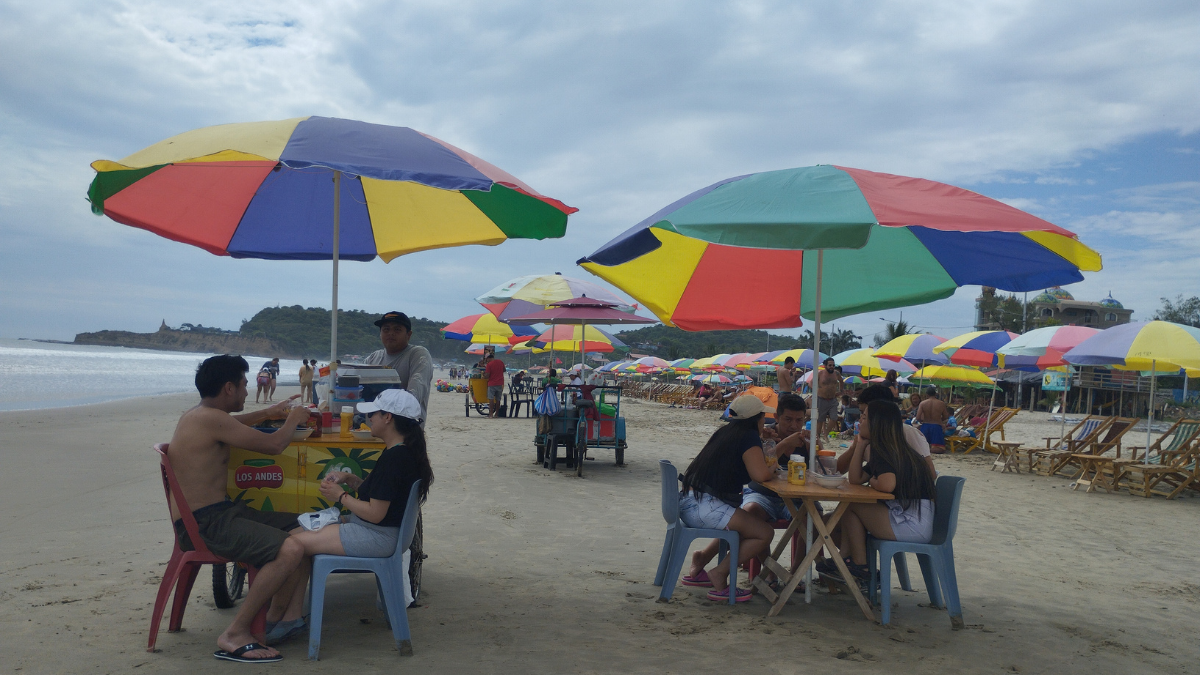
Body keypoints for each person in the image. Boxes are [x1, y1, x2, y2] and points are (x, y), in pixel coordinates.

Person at [168, 355, 314, 663]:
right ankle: (235, 632)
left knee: (305, 528)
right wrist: (292, 418)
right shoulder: (210, 419)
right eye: (245, 386)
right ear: (229, 388)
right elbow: (275, 445)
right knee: (290, 549)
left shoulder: (201, 415)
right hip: (205, 525)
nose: (248, 392)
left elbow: (233, 425)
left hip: (217, 514)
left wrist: (268, 412)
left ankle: (282, 619)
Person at [290, 389, 433, 560]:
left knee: (291, 545)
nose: (369, 418)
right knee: (292, 535)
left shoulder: (395, 458)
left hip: (378, 536)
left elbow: (375, 513)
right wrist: (350, 479)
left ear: (388, 417)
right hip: (375, 529)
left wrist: (340, 496)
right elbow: (382, 494)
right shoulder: (404, 452)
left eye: (373, 413)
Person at [821, 399, 937, 584]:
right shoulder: (891, 449)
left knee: (853, 504)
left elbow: (886, 484)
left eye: (864, 418)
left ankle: (859, 564)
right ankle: (847, 559)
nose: (860, 422)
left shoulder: (887, 454)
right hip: (913, 518)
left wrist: (874, 480)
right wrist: (860, 445)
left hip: (913, 523)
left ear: (877, 424)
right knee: (850, 506)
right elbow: (856, 479)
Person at [678, 396, 777, 602]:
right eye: (763, 418)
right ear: (756, 419)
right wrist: (773, 463)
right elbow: (761, 475)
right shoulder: (748, 437)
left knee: (748, 526)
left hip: (690, 502)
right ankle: (720, 573)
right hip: (705, 507)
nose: (764, 422)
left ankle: (704, 559)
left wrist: (761, 440)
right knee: (763, 533)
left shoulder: (726, 433)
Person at [837, 385, 936, 477]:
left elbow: (930, 474)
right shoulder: (867, 438)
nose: (860, 419)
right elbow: (838, 471)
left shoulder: (907, 433)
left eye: (865, 415)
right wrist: (855, 446)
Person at [363, 311, 433, 424]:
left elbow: (413, 398)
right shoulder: (373, 358)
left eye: (397, 329)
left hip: (405, 430)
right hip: (371, 429)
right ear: (380, 333)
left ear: (408, 335)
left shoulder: (418, 355)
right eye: (386, 329)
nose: (391, 333)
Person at [916, 387, 950, 453]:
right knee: (940, 448)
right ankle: (930, 450)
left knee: (922, 445)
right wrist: (939, 419)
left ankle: (926, 450)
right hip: (936, 426)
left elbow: (918, 417)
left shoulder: (923, 403)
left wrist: (922, 421)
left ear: (927, 395)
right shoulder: (941, 403)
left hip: (925, 425)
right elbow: (946, 416)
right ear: (935, 394)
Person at [815, 357, 843, 437]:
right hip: (821, 399)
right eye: (830, 365)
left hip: (832, 399)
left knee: (834, 417)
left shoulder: (836, 373)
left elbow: (841, 381)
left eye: (833, 365)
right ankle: (818, 436)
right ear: (825, 365)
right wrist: (818, 389)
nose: (832, 367)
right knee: (820, 419)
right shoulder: (820, 374)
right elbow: (811, 383)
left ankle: (826, 433)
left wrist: (841, 390)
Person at [483, 347, 505, 419]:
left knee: (491, 399)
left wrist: (484, 374)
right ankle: (496, 414)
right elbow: (504, 370)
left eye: (487, 359)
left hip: (492, 383)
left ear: (488, 358)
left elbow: (487, 375)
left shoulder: (489, 365)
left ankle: (490, 415)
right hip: (500, 383)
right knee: (498, 399)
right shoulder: (500, 362)